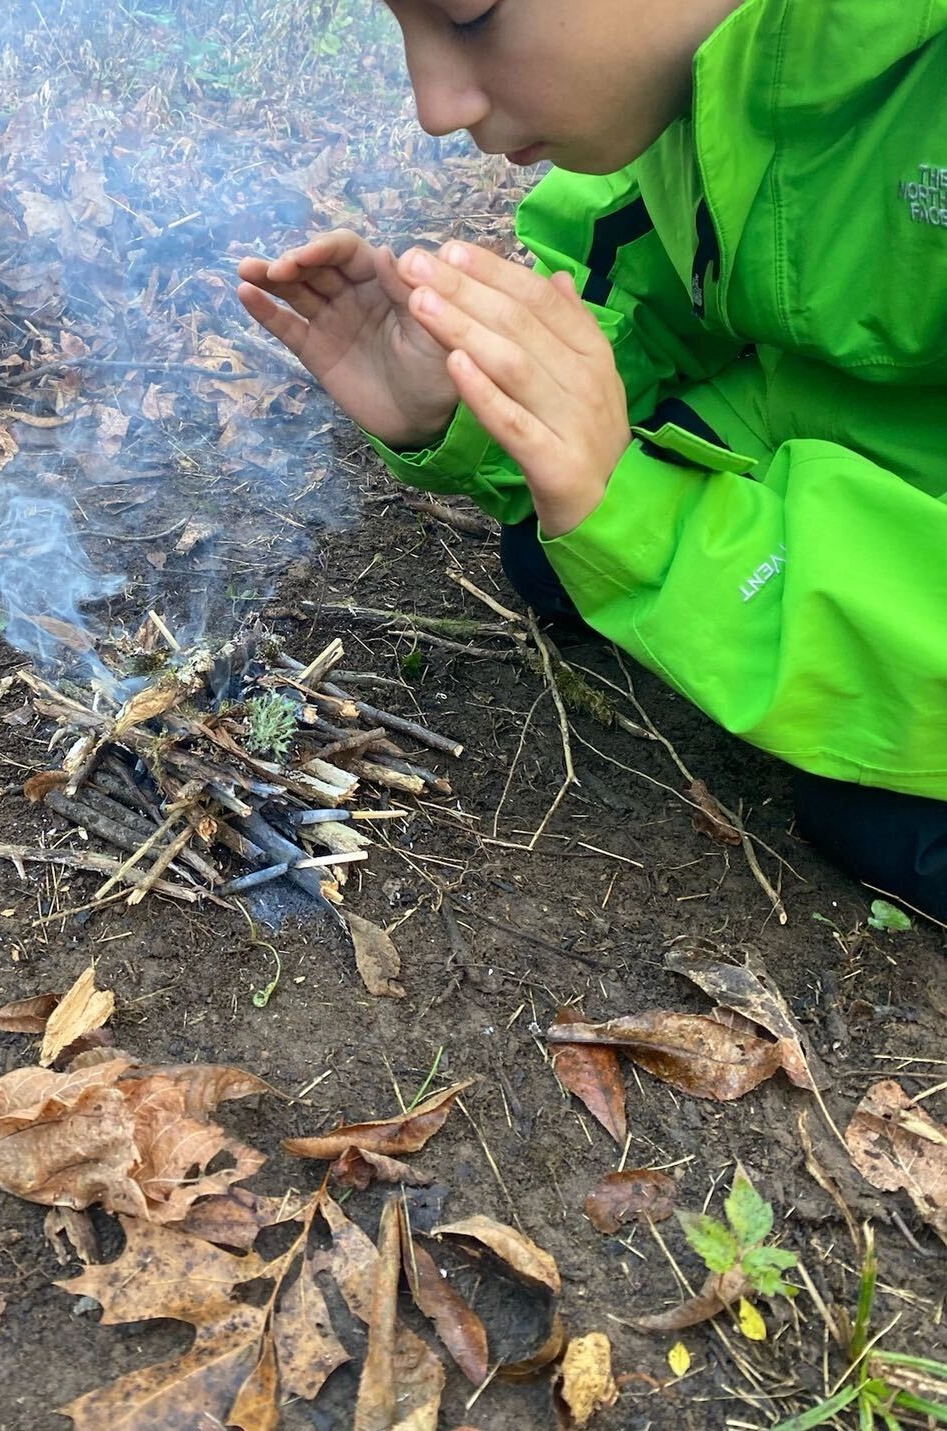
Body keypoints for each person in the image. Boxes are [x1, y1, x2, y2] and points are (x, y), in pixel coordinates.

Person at [237, 0, 947, 920]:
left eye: (470, 14)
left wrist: (655, 525)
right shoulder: (698, 76)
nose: (435, 104)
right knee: (550, 551)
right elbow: (638, 286)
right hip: (819, 416)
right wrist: (475, 400)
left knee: (881, 825)